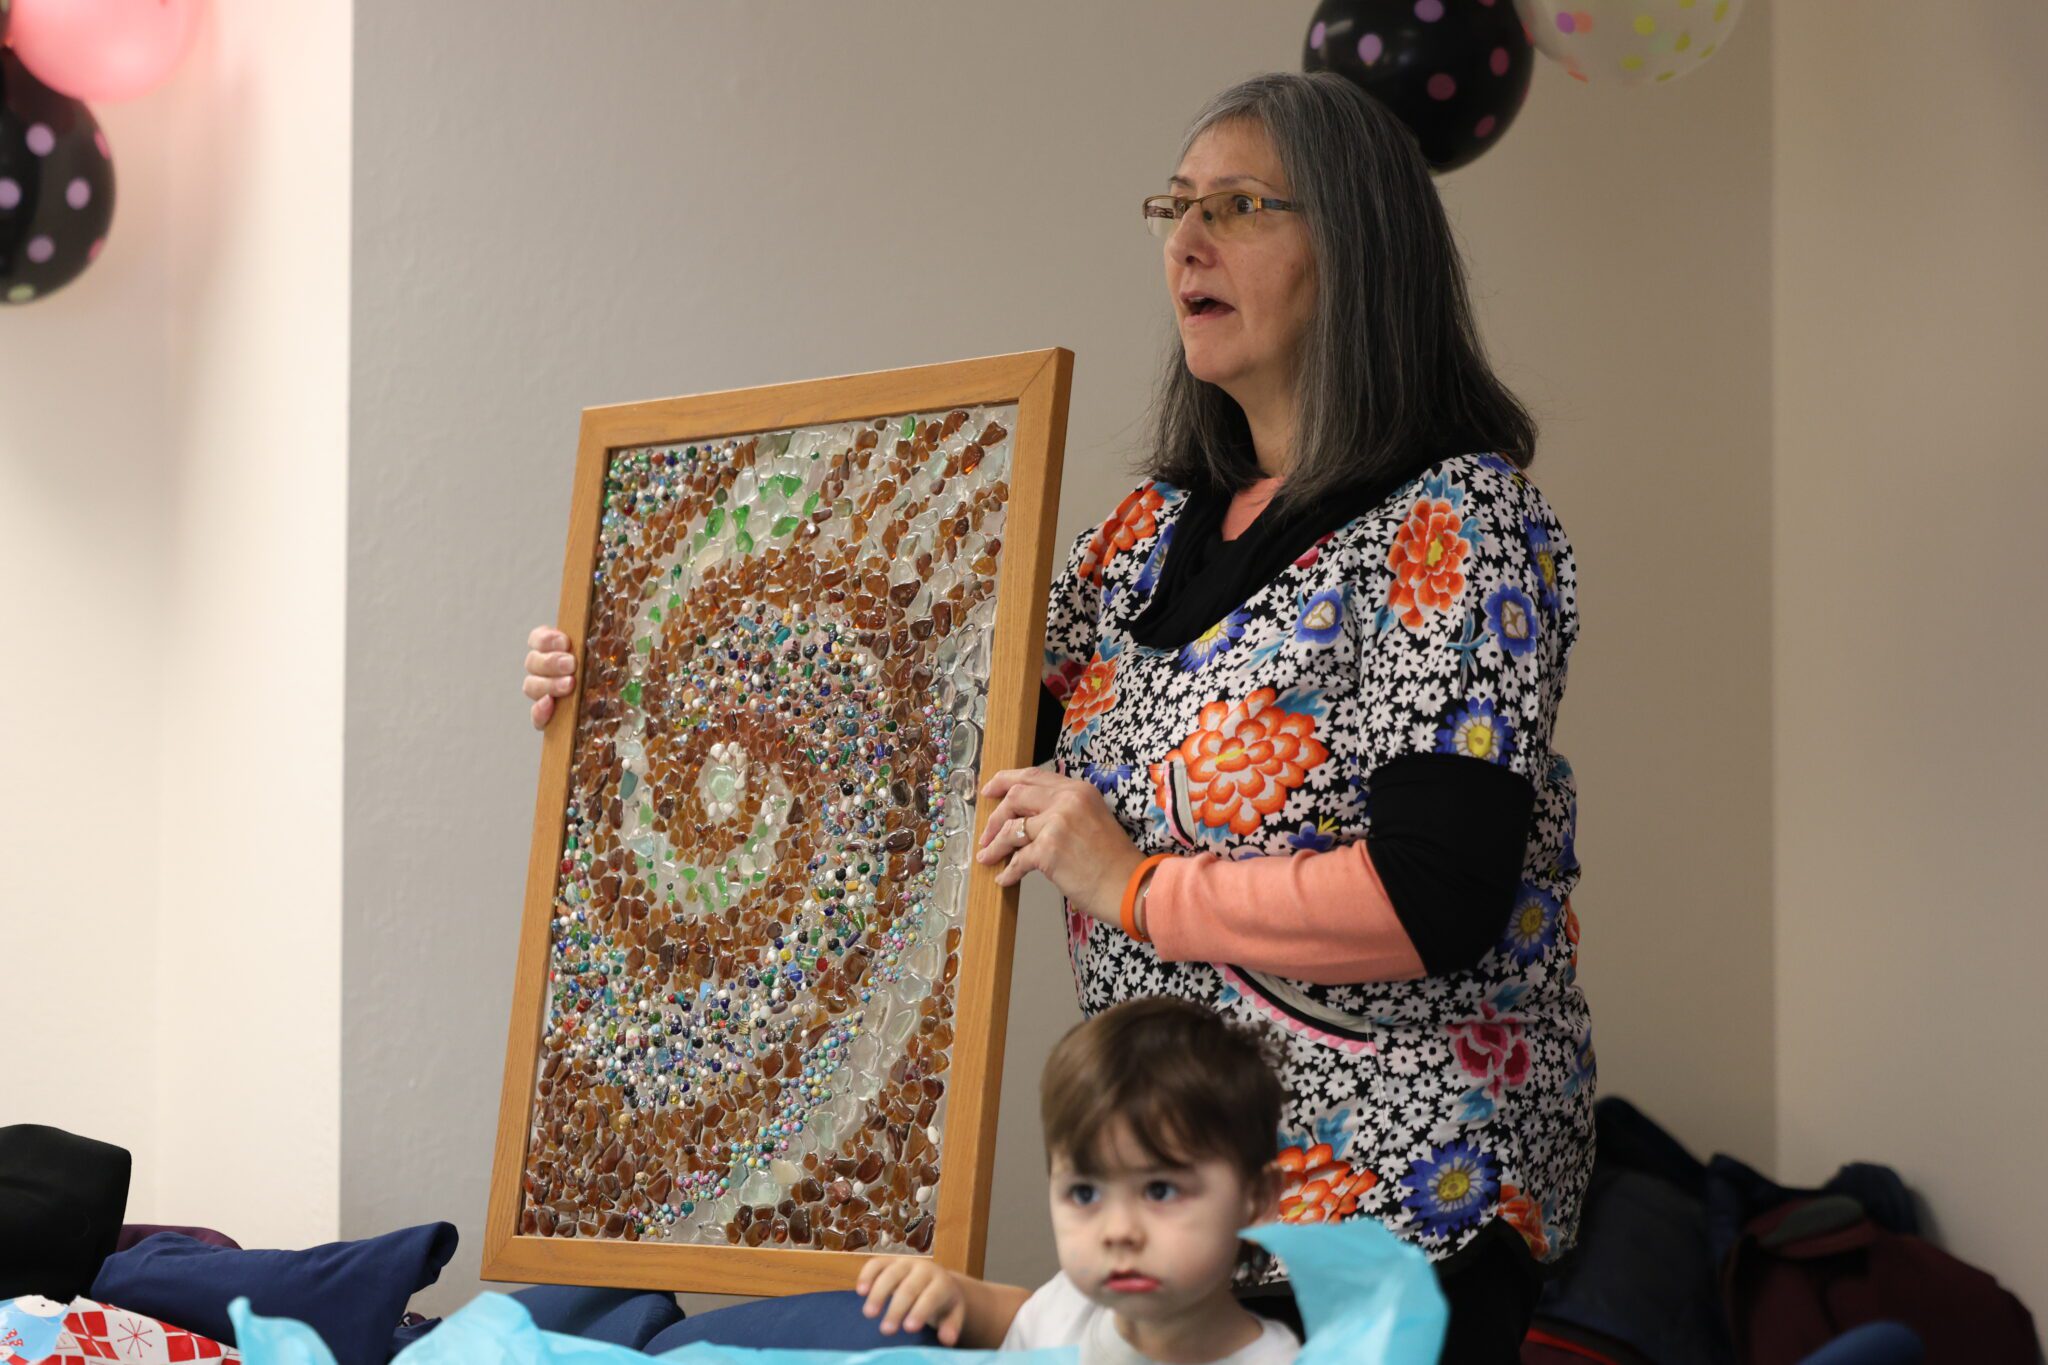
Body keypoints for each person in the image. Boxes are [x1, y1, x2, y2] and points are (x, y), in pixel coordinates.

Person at [526, 72, 1592, 1360]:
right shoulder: (1143, 537)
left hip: (1391, 1218)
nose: (1186, 243)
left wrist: (1133, 884)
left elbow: (1437, 895)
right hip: (1170, 1208)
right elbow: (913, 753)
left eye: (1240, 206)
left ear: (1359, 244)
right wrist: (630, 693)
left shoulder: (1459, 522)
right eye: (1175, 208)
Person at [853, 996, 1299, 1362]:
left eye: (1160, 1190)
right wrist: (955, 1299)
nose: (1118, 1232)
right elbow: (1025, 1323)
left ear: (1256, 1200)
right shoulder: (1075, 1307)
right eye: (1085, 1192)